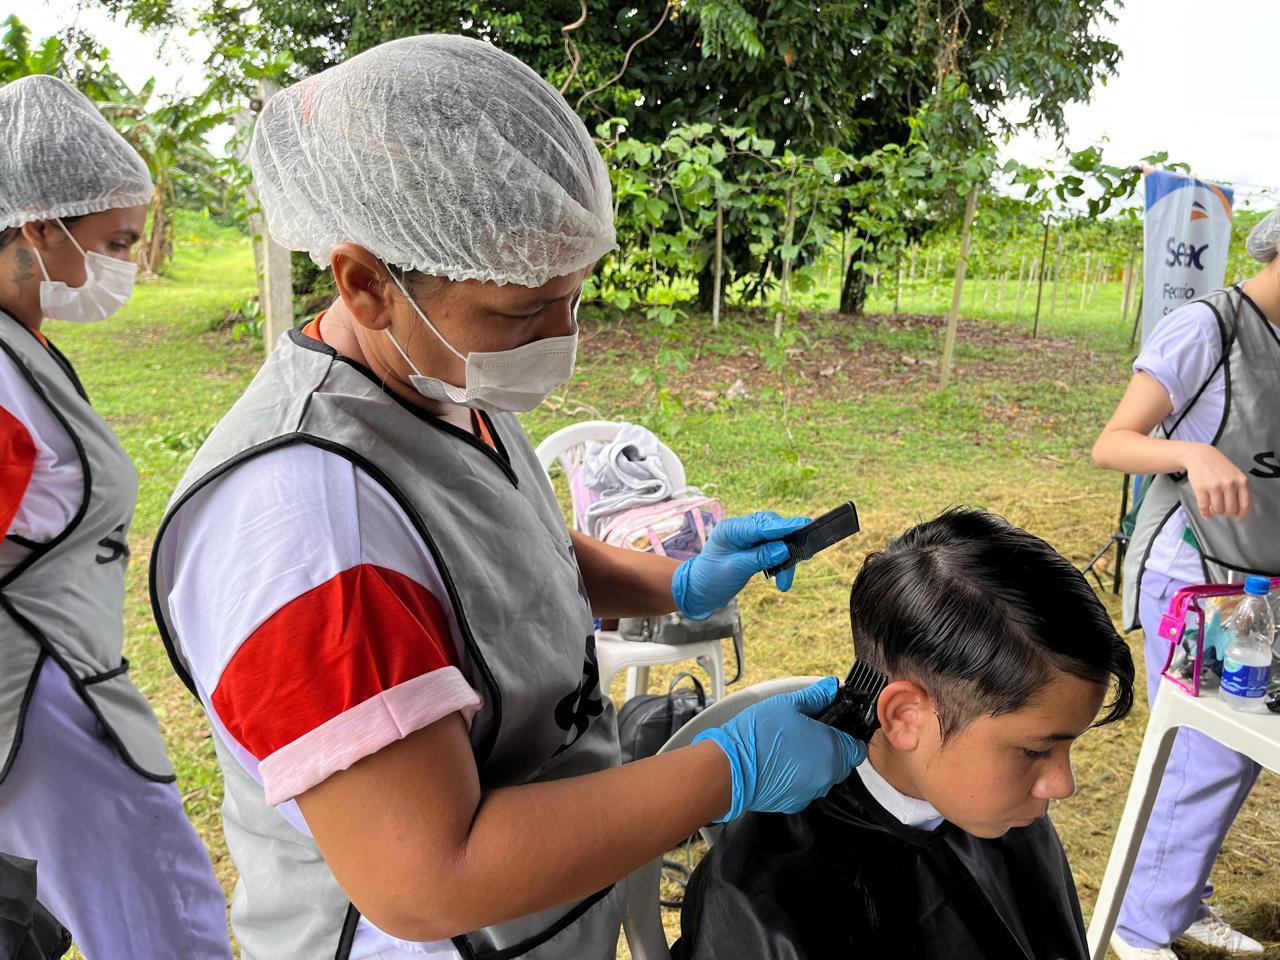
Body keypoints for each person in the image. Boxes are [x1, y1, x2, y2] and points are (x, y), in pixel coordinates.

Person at [148, 35, 866, 960]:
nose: (560, 337)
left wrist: (677, 583)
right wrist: (723, 772)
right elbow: (426, 876)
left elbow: (503, 552)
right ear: (367, 284)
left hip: (544, 916)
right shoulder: (306, 532)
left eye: (571, 297)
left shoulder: (438, 379)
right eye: (522, 314)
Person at [671, 509, 1136, 960]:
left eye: (1068, 745)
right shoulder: (764, 895)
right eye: (1037, 750)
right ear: (907, 717)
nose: (1063, 785)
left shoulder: (1002, 807)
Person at [0, 75, 230, 956]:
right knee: (160, 921)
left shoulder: (25, 343)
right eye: (115, 241)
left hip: (59, 685)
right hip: (37, 704)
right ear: (36, 225)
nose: (126, 265)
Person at [1092, 206, 1280, 959]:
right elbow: (1112, 443)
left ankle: (1178, 899)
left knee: (1240, 748)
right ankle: (1140, 930)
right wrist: (1190, 456)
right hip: (1199, 577)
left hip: (1259, 583)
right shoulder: (1209, 327)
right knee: (1205, 751)